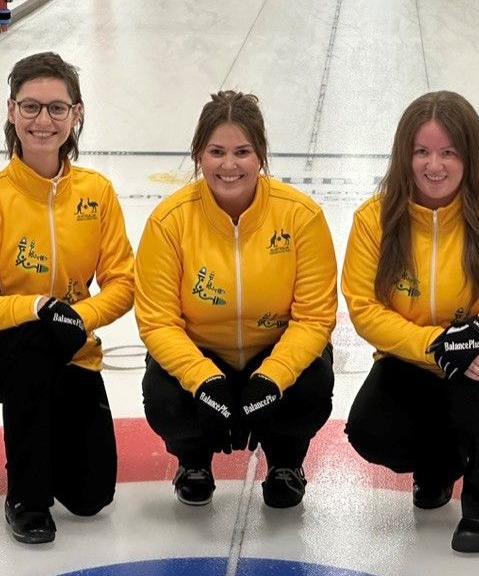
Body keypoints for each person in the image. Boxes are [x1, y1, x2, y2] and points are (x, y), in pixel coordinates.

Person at [342, 91, 479, 553]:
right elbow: (365, 309)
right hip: (422, 355)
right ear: (405, 155)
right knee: (369, 428)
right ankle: (439, 466)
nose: (434, 166)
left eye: (448, 153)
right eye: (422, 152)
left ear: (470, 156)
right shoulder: (374, 220)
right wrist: (436, 344)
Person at [0, 52, 134, 544]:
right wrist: (34, 309)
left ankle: (45, 441)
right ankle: (26, 498)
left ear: (77, 114)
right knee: (33, 344)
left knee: (92, 498)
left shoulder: (98, 192)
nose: (43, 121)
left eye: (56, 108)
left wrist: (73, 318)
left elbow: (123, 284)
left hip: (69, 348)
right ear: (11, 111)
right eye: (30, 107)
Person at [135, 90, 337, 509]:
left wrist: (272, 379)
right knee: (163, 397)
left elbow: (315, 318)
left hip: (272, 354)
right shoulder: (169, 223)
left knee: (313, 385)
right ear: (198, 155)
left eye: (242, 151)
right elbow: (157, 323)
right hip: (203, 356)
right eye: (217, 151)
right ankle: (193, 461)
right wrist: (204, 380)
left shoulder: (301, 217)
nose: (229, 165)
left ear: (260, 156)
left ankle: (286, 461)